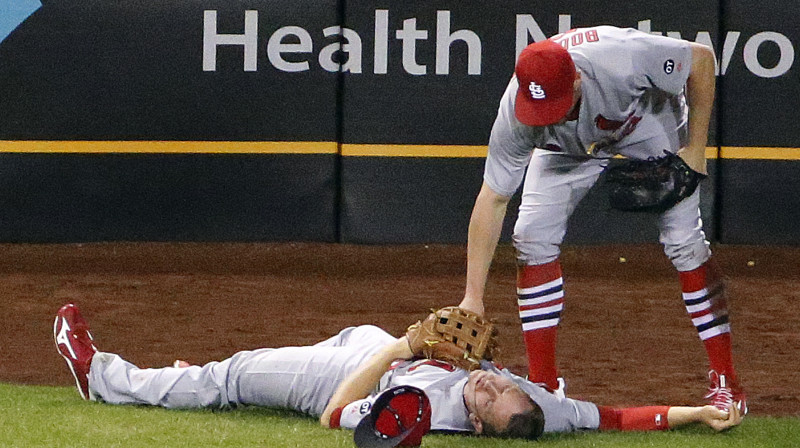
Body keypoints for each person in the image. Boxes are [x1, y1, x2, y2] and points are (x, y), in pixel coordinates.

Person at [456, 25, 746, 413]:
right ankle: (544, 386)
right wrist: (472, 296)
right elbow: (492, 198)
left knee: (684, 240)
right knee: (531, 237)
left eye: (556, 103)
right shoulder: (519, 115)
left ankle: (726, 381)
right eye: (540, 107)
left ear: (577, 78)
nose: (547, 113)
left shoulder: (622, 57)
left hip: (645, 120)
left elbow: (701, 59)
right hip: (566, 148)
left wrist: (695, 149)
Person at [54, 302, 742, 444]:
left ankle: (102, 377)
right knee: (350, 332)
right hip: (375, 346)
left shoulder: (421, 409)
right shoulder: (541, 409)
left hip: (355, 377)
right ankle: (193, 381)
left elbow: (336, 414)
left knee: (237, 375)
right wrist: (695, 412)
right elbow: (614, 417)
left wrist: (402, 349)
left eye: (489, 397)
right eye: (503, 386)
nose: (493, 383)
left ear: (476, 425)